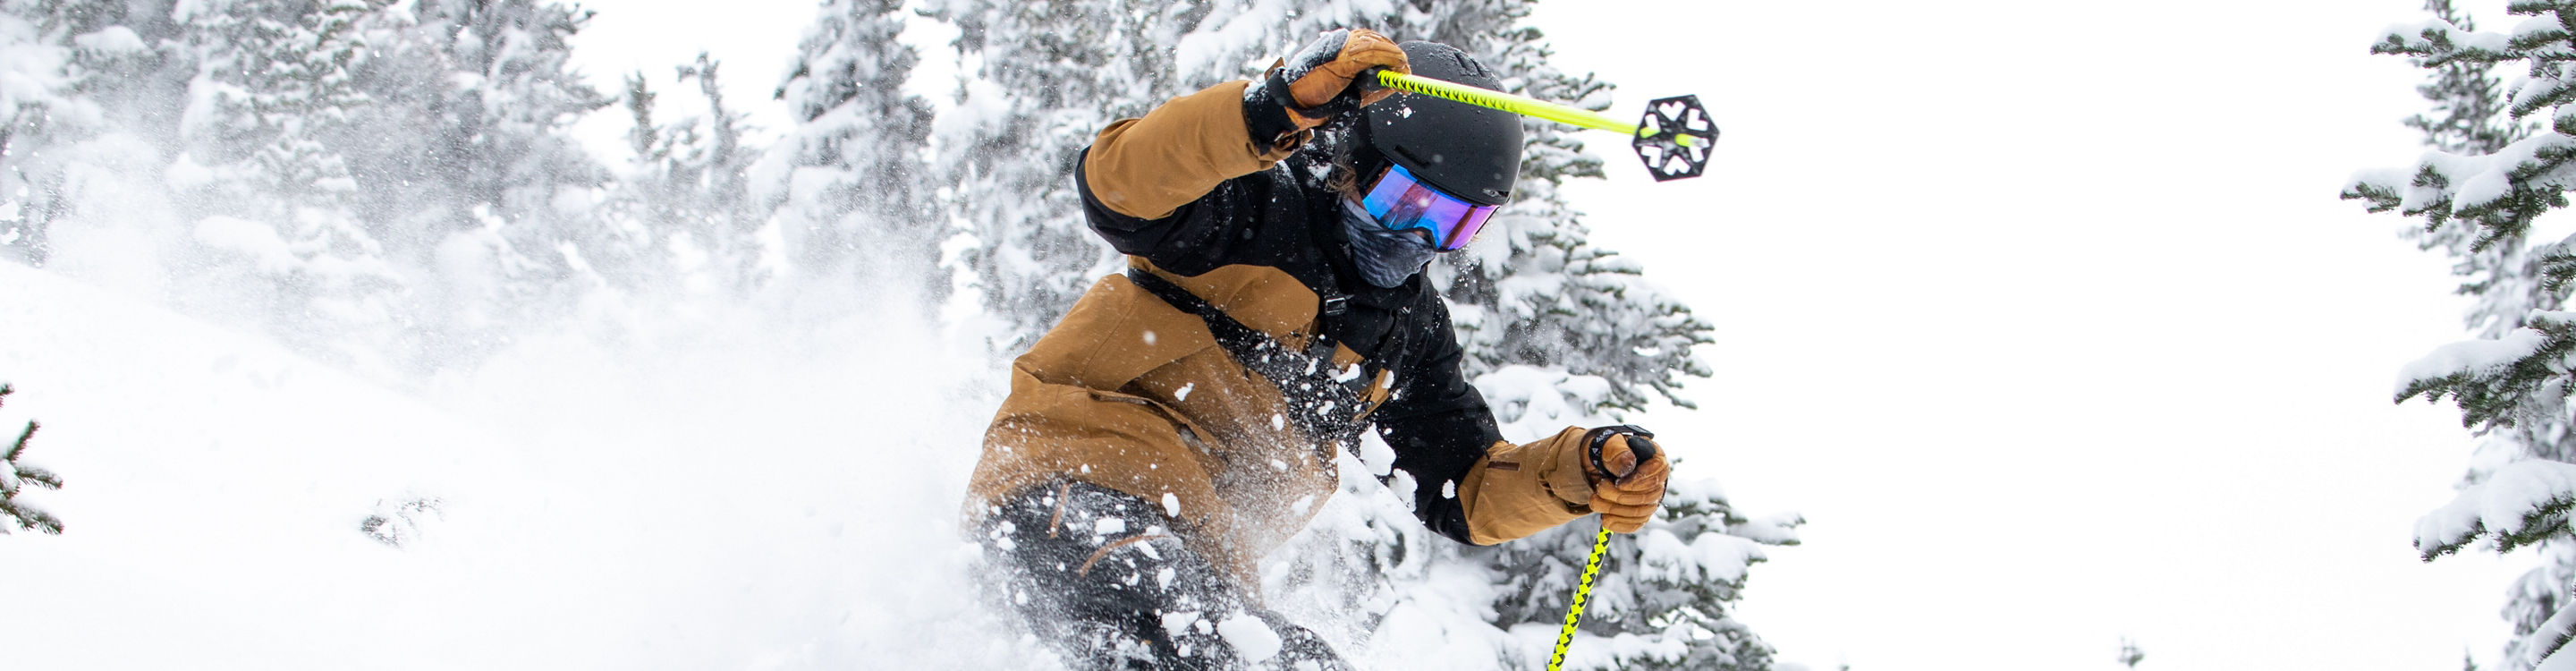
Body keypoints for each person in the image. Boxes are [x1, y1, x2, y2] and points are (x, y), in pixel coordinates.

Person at [965, 28, 1672, 670]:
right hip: (1075, 483)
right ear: (1350, 159)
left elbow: (1464, 488)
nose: (1419, 238)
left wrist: (1579, 469)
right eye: (1405, 202)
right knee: (1203, 642)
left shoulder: (1406, 329)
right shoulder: (1255, 206)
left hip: (1204, 556)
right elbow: (1115, 185)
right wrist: (1264, 113)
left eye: (1455, 223)